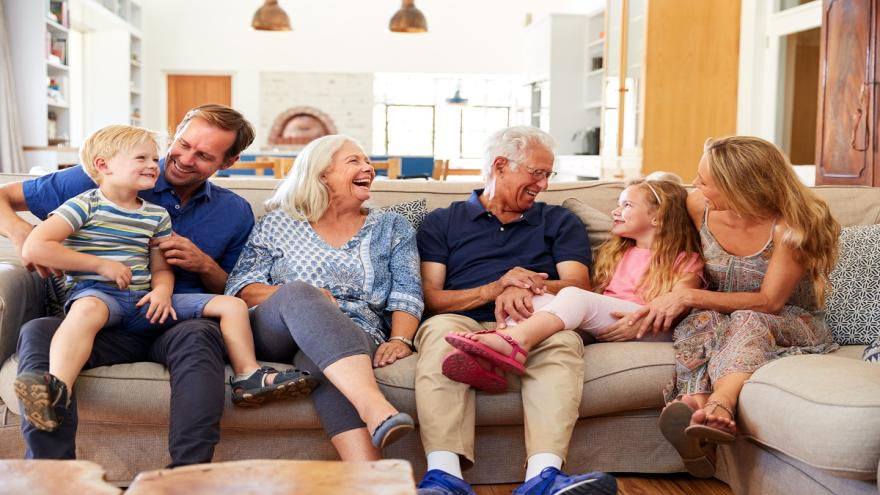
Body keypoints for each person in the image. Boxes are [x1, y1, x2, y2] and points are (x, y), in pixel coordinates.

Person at [0, 104, 270, 466]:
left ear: (228, 162)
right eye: (183, 144)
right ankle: (51, 474)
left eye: (204, 155)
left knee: (199, 336)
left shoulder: (234, 211)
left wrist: (204, 264)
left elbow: (237, 288)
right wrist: (23, 236)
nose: (185, 159)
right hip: (103, 316)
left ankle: (186, 479)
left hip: (175, 319)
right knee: (38, 332)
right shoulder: (101, 176)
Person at [413, 126, 617, 495]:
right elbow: (433, 297)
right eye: (536, 173)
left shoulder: (559, 221)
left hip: (535, 319)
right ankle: (444, 478)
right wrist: (495, 287)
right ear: (500, 165)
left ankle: (544, 479)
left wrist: (524, 285)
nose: (543, 184)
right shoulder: (443, 221)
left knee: (563, 343)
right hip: (462, 316)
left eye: (547, 175)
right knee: (441, 333)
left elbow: (577, 285)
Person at [631, 136, 840, 478]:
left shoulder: (790, 226)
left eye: (704, 181)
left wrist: (689, 295)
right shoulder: (699, 206)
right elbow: (656, 226)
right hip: (718, 315)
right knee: (700, 320)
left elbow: (769, 303)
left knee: (743, 318)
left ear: (741, 187)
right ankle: (695, 409)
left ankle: (720, 405)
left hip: (790, 320)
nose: (694, 185)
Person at [224, 134, 422, 460]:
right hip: (276, 329)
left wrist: (401, 338)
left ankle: (368, 478)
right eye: (354, 161)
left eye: (368, 161)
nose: (368, 168)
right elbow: (242, 288)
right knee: (301, 293)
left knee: (323, 361)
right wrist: (310, 298)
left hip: (356, 331)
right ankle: (375, 407)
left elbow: (407, 290)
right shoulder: (278, 223)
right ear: (321, 175)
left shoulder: (392, 226)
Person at [442, 179, 703, 392]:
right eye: (618, 204)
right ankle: (494, 363)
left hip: (650, 327)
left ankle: (512, 342)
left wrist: (638, 318)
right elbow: (599, 299)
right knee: (537, 298)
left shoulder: (687, 260)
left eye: (626, 205)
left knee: (573, 295)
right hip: (609, 323)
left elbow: (676, 306)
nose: (615, 211)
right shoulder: (616, 253)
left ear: (658, 217)